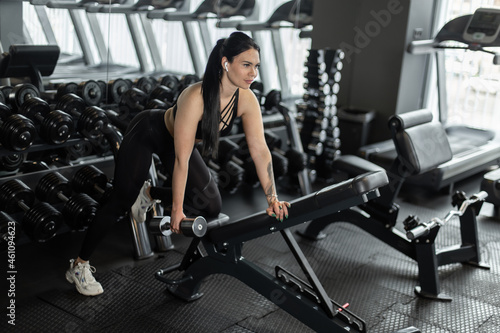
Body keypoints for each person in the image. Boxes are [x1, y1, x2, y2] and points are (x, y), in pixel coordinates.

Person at [65, 31, 291, 296]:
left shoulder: (246, 99)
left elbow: (260, 149)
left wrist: (272, 197)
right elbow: (182, 159)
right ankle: (79, 265)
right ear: (226, 63)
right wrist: (177, 210)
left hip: (179, 144)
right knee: (120, 200)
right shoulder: (195, 96)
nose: (253, 73)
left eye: (256, 66)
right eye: (246, 64)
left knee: (211, 205)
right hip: (148, 132)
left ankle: (149, 193)